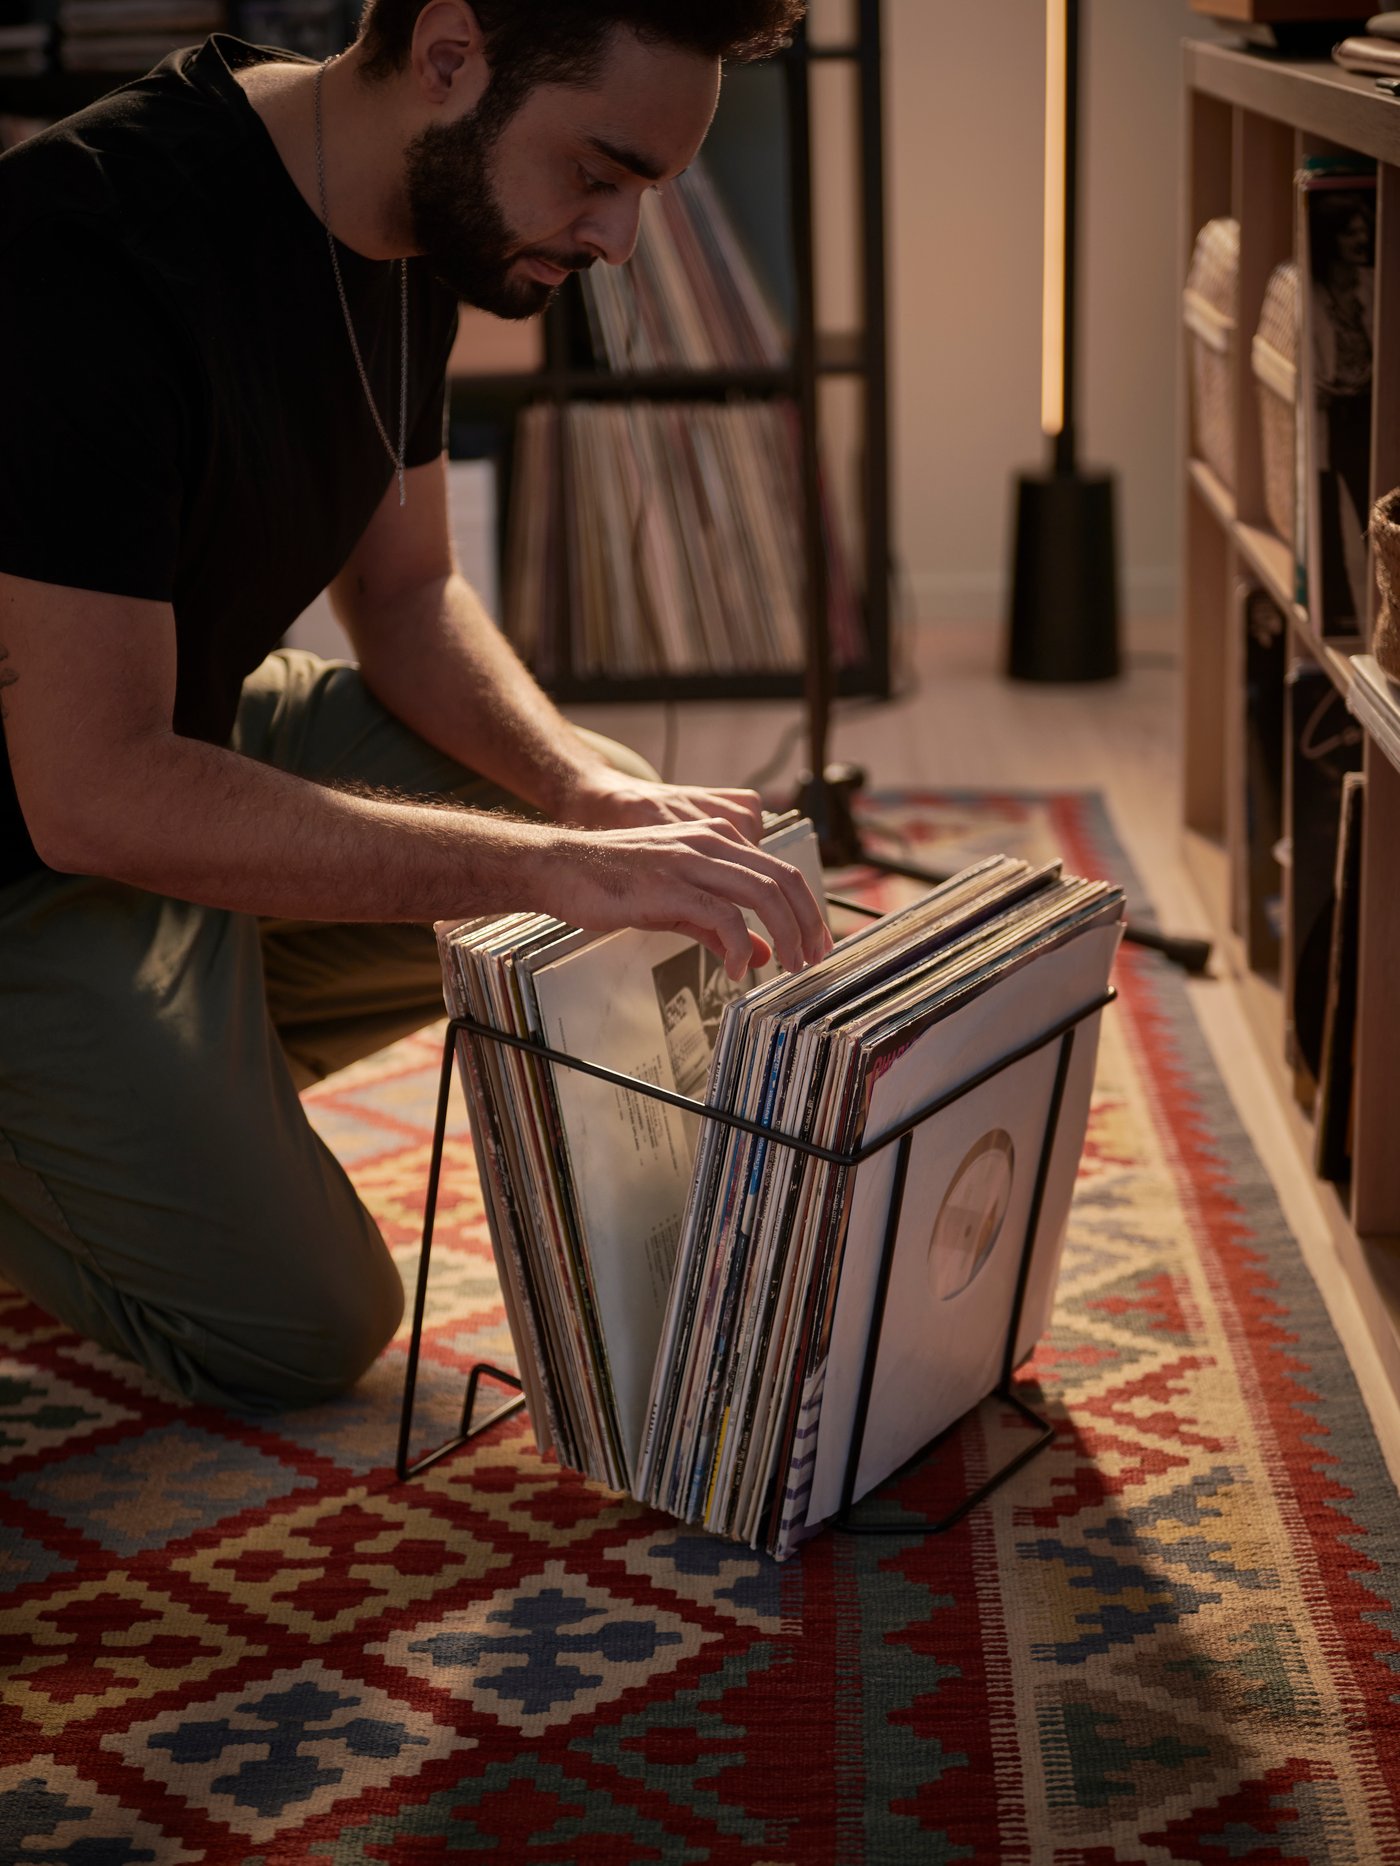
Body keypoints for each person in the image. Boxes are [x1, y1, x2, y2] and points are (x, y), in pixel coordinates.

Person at [0, 0, 826, 1414]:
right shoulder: (85, 248)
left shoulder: (422, 218)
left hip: (181, 738)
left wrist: (582, 796)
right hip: (36, 841)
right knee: (305, 1324)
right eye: (601, 173)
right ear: (451, 55)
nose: (617, 241)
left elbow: (407, 592)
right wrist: (549, 859)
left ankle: (153, 1096)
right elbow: (92, 792)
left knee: (635, 836)